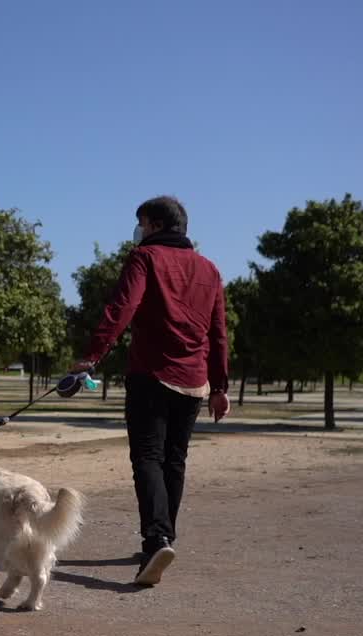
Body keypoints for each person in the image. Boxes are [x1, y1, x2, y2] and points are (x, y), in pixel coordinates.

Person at [71, 196, 230, 586]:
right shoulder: (209, 269)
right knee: (174, 462)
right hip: (194, 381)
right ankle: (163, 540)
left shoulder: (145, 257)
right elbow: (218, 333)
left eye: (141, 222)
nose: (138, 230)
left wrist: (92, 355)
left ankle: (157, 538)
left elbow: (121, 307)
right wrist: (220, 386)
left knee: (147, 458)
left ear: (155, 224)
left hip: (152, 375)